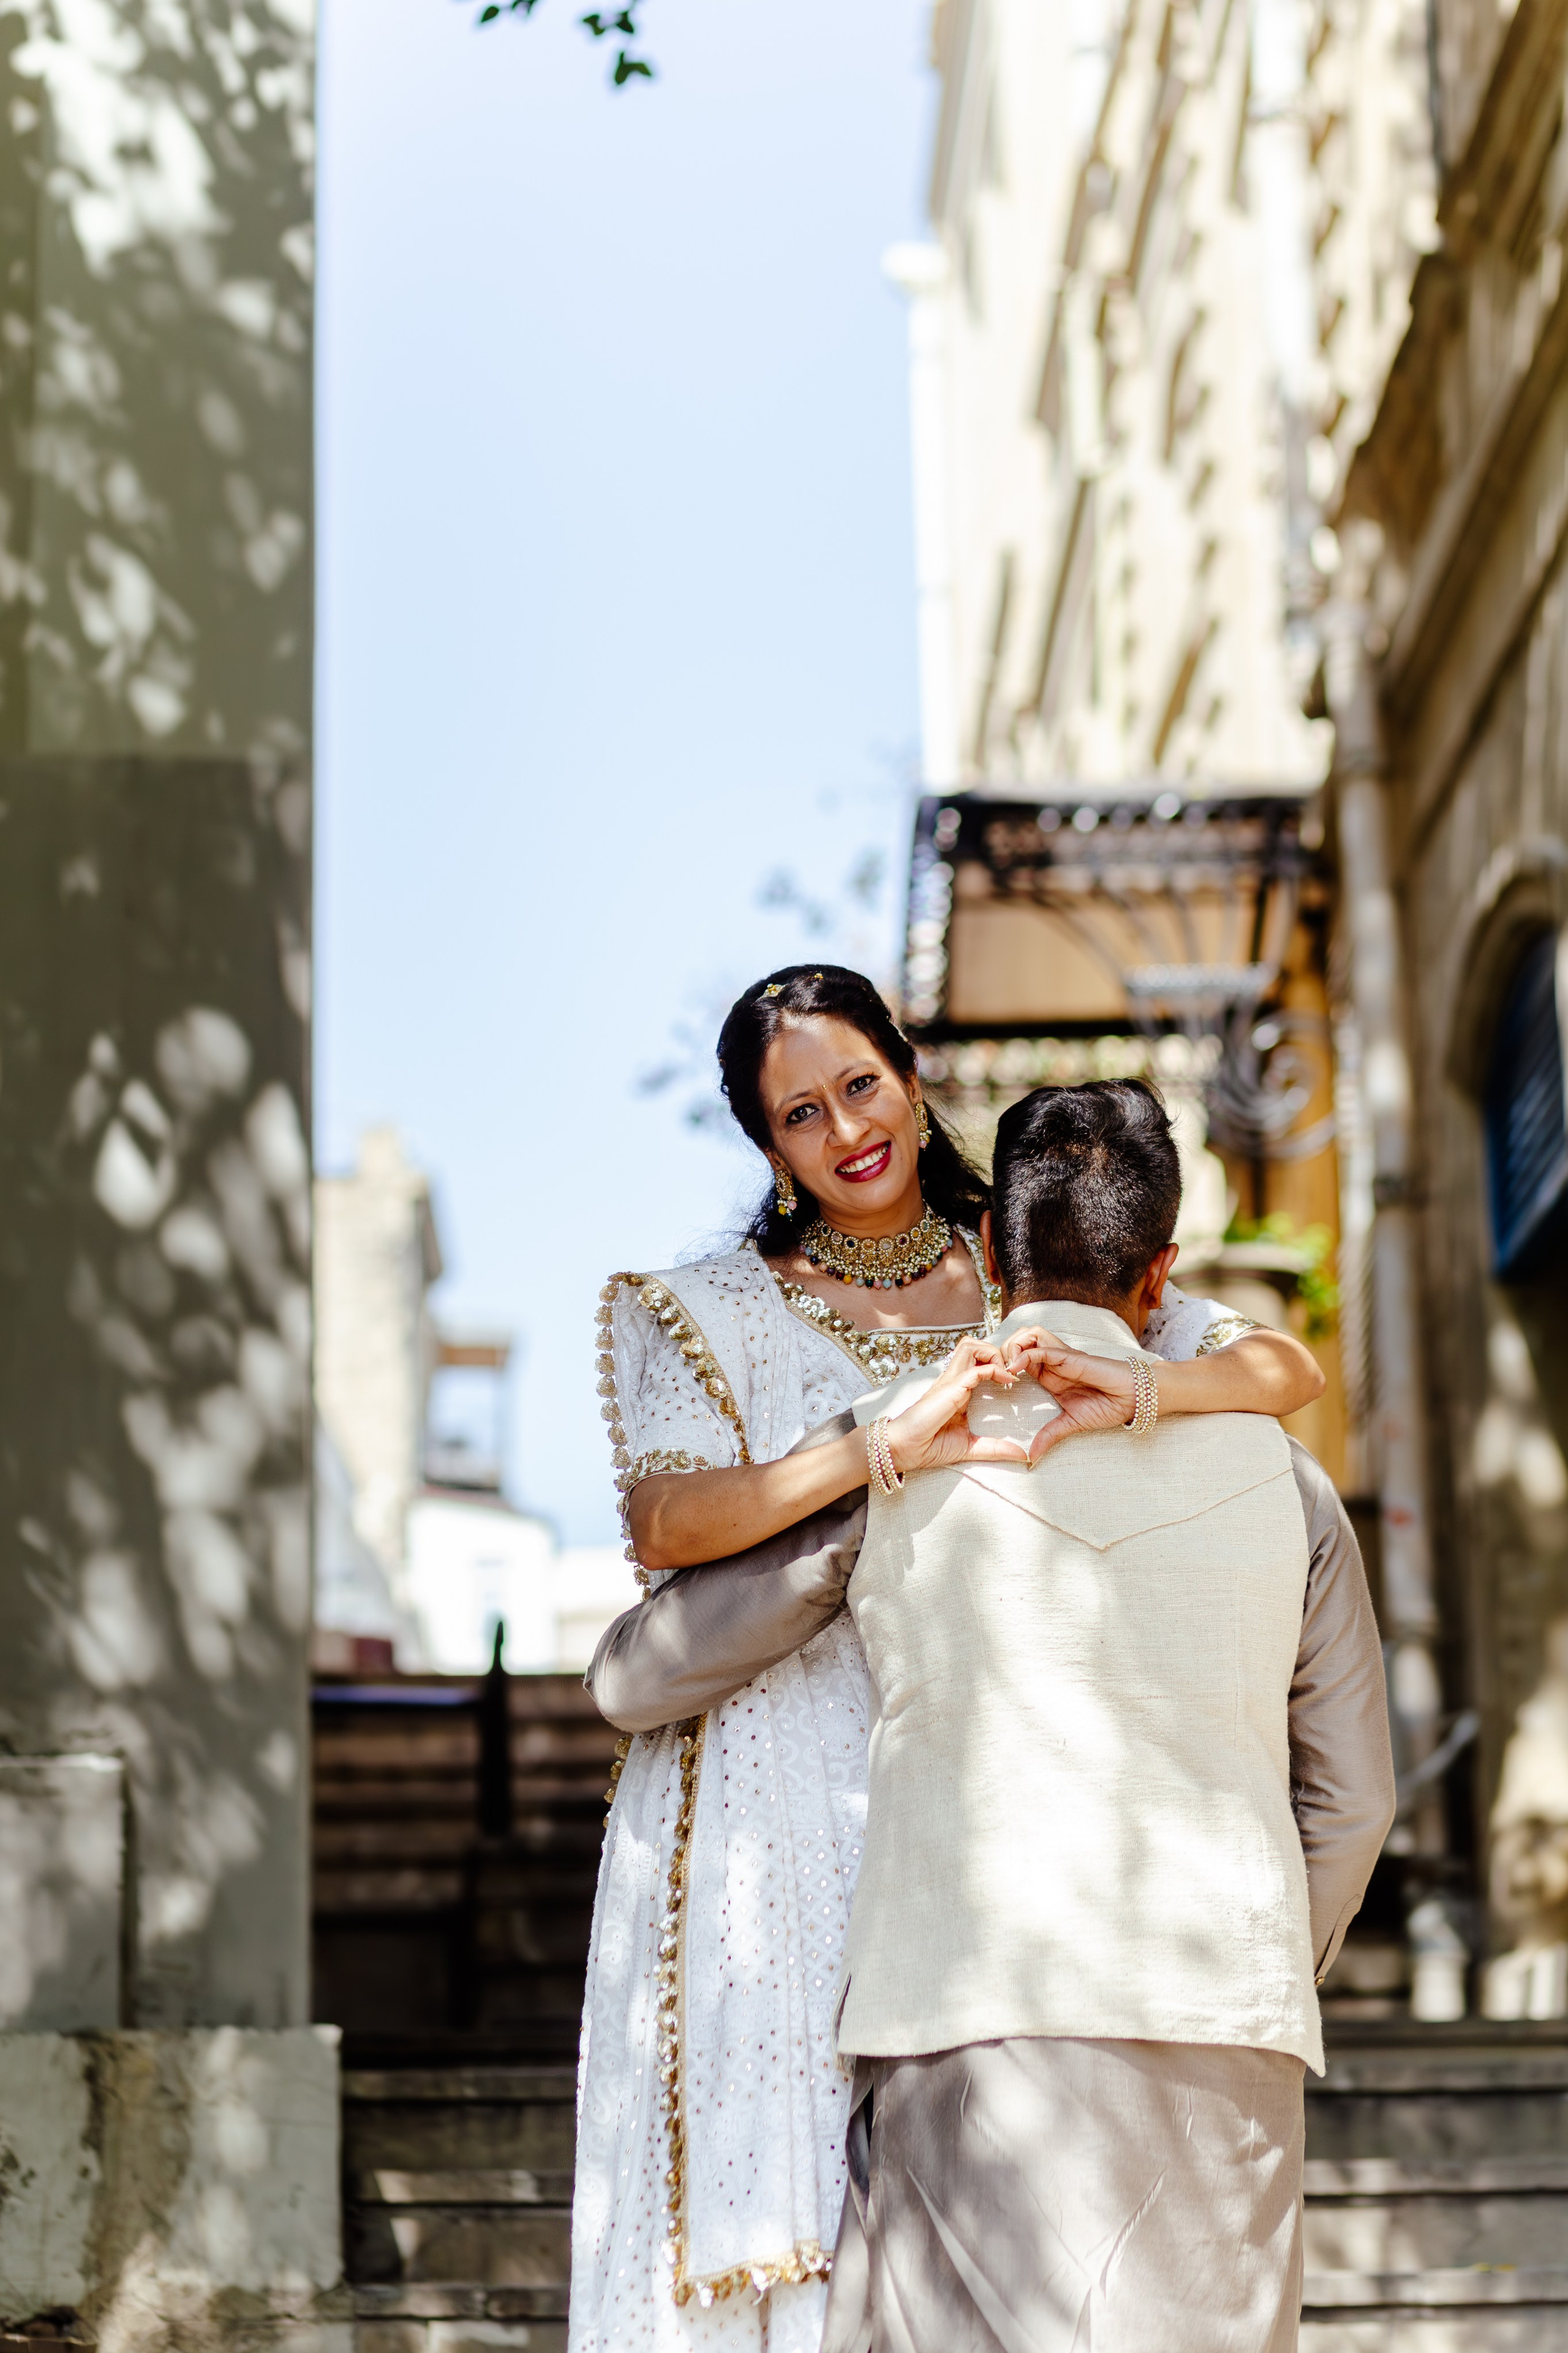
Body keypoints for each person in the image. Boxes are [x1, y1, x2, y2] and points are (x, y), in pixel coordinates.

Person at [568, 969, 1327, 2353]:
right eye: (797, 1113)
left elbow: (1280, 1371)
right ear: (763, 1142)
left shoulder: (1028, 1254)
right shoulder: (705, 1307)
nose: (843, 1128)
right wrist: (874, 1447)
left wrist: (1149, 1388)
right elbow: (665, 1522)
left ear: (910, 1075)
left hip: (1004, 1785)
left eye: (859, 1084)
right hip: (775, 1779)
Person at [815, 1079, 1395, 2353]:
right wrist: (1255, 1956)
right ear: (1162, 1272)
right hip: (1213, 2016)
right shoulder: (1283, 1475)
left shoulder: (885, 1454)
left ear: (982, 1250)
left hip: (952, 2009)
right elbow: (1352, 1801)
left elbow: (647, 1674)